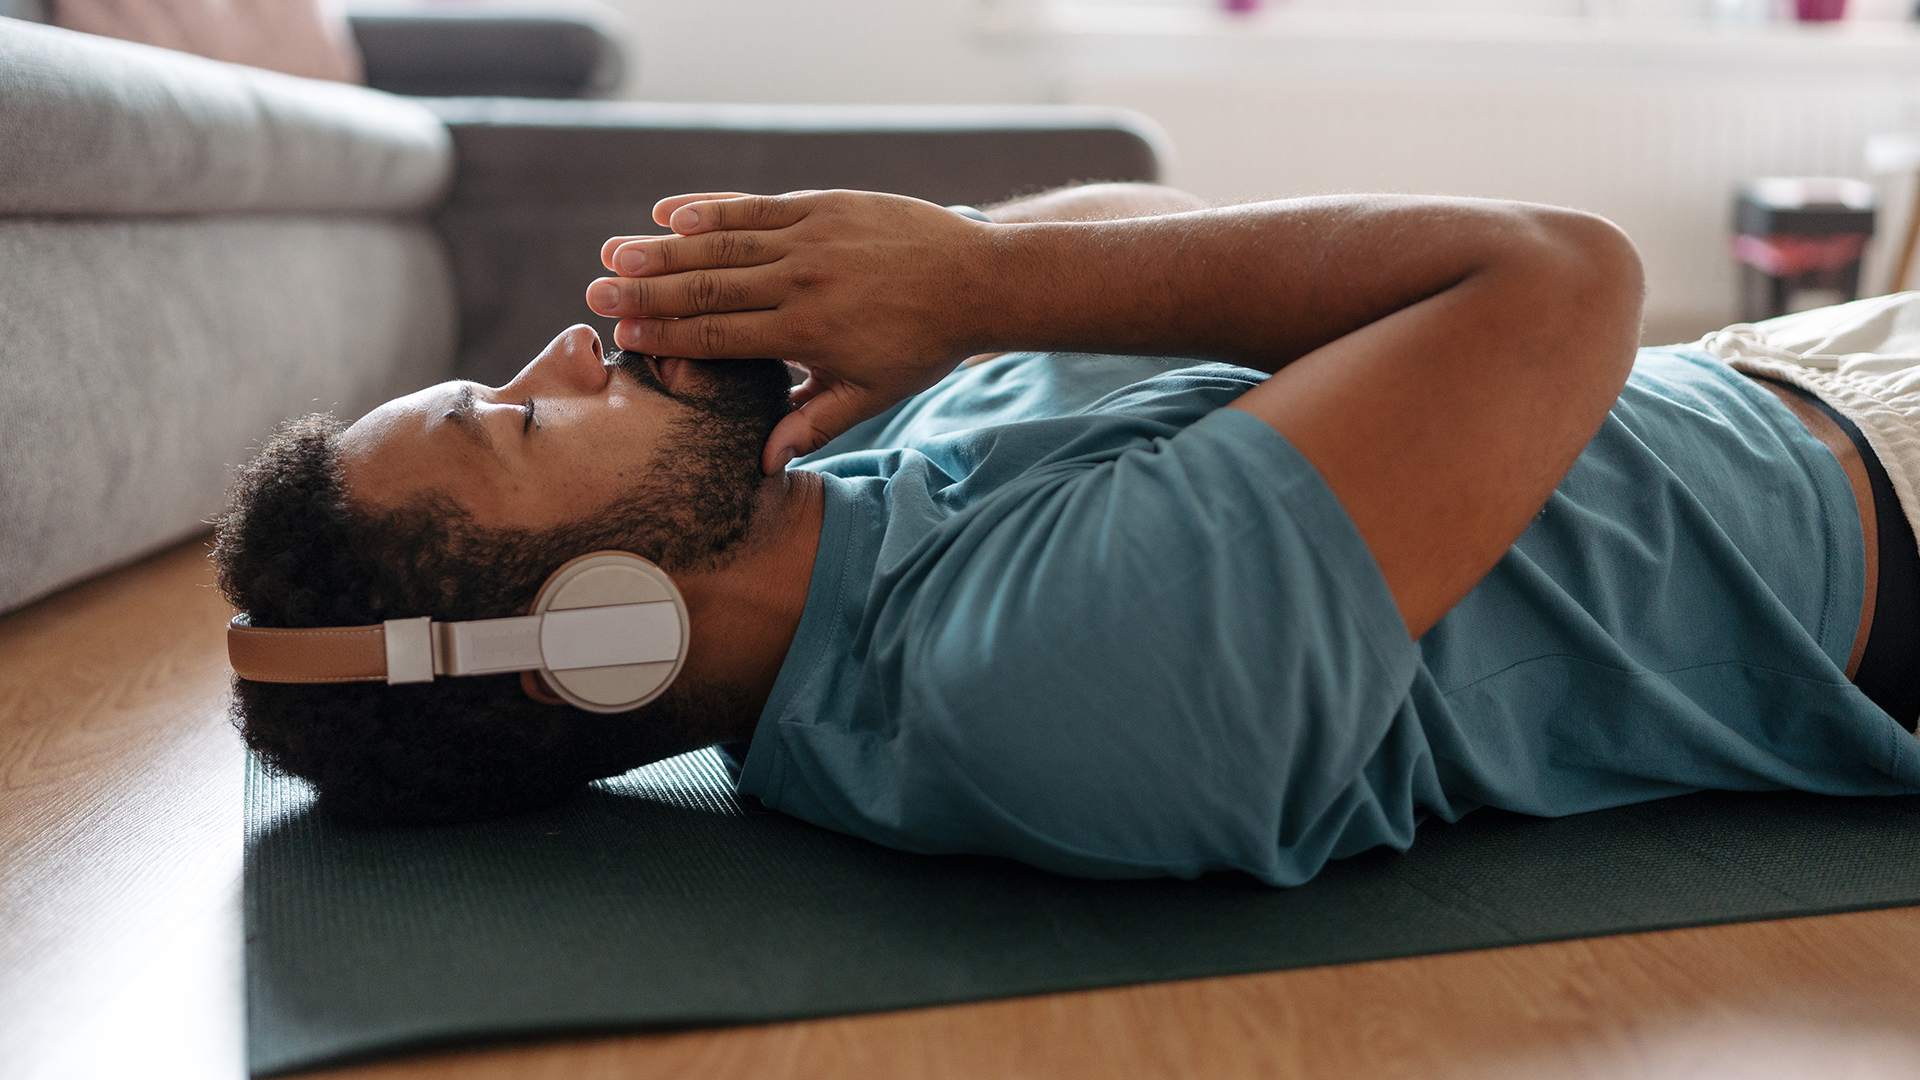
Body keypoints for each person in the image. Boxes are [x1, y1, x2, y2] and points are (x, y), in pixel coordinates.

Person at [216, 182, 1920, 886]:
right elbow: (1562, 277)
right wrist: (982, 283)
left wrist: (915, 290)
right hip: (1882, 515)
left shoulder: (849, 515)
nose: (569, 350)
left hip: (1780, 372)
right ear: (588, 635)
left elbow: (1154, 254)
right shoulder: (1039, 680)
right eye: (515, 423)